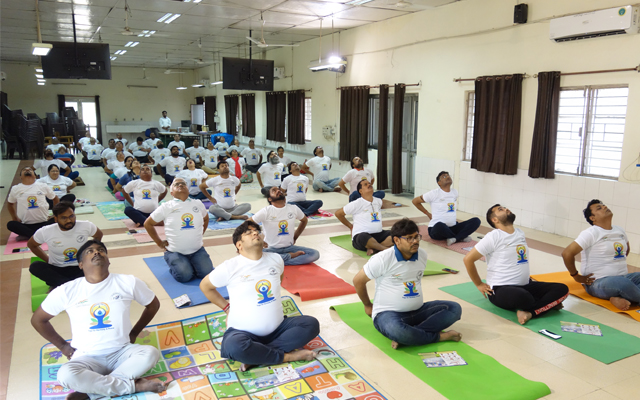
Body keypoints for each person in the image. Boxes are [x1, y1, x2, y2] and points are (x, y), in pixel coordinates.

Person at [31, 240, 167, 400]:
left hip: (122, 352)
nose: (96, 252)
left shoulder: (129, 282)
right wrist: (62, 346)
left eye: (101, 250)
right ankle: (133, 386)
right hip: (86, 356)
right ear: (80, 264)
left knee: (150, 353)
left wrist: (135, 332)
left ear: (108, 260)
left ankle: (89, 393)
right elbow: (38, 320)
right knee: (66, 375)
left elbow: (153, 305)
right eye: (90, 251)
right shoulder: (66, 290)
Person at [200, 221, 320, 371]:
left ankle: (257, 356)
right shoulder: (229, 267)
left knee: (311, 324)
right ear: (239, 245)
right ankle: (287, 356)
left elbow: (278, 282)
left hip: (278, 329)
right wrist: (226, 308)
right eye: (249, 233)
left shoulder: (276, 259)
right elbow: (205, 286)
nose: (255, 233)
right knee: (234, 347)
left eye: (257, 230)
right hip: (243, 333)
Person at [353, 218, 462, 348]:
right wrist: (367, 305)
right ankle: (439, 337)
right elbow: (358, 281)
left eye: (417, 237)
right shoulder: (382, 259)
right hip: (387, 313)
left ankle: (410, 335)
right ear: (396, 240)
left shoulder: (422, 254)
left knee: (454, 309)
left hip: (418, 311)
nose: (415, 241)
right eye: (409, 238)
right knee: (396, 330)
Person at [464, 205, 569, 324]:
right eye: (500, 209)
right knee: (524, 297)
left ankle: (530, 312)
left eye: (504, 207)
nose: (505, 209)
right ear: (495, 220)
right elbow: (468, 259)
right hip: (501, 289)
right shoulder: (494, 236)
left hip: (526, 285)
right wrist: (479, 284)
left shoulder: (519, 233)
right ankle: (545, 305)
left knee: (562, 289)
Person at [562, 200, 640, 311]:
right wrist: (576, 276)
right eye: (599, 208)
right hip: (598, 282)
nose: (604, 207)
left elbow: (625, 251)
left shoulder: (619, 230)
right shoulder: (591, 233)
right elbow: (567, 253)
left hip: (624, 277)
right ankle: (627, 296)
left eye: (603, 205)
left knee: (627, 281)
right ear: (592, 218)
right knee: (624, 284)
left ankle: (617, 297)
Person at [145, 178, 213, 283]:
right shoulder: (166, 207)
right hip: (175, 252)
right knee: (185, 276)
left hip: (197, 250)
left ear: (188, 190)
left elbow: (206, 218)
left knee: (207, 273)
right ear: (172, 192)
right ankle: (175, 263)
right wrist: (159, 242)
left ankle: (190, 263)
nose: (180, 185)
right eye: (176, 184)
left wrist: (201, 233)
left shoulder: (197, 204)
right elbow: (148, 224)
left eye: (183, 184)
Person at [28, 202, 103, 289]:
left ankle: (62, 285)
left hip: (80, 267)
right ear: (56, 219)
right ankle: (71, 286)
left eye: (71, 216)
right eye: (64, 218)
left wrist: (91, 252)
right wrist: (47, 260)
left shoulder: (86, 225)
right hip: (57, 268)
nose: (69, 220)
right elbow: (32, 245)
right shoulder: (45, 231)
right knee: (35, 266)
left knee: (99, 262)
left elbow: (98, 235)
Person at [251, 186, 319, 265]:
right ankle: (288, 257)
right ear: (269, 199)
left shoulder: (293, 208)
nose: (278, 190)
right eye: (274, 190)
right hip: (271, 248)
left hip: (289, 248)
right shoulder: (266, 211)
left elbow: (304, 220)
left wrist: (295, 237)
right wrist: (259, 238)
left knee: (314, 254)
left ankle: (279, 259)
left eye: (278, 189)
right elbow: (247, 224)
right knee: (253, 254)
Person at [413, 171, 481, 246]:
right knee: (440, 225)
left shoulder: (455, 192)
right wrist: (428, 214)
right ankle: (460, 237)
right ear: (439, 183)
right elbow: (415, 201)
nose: (448, 177)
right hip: (436, 229)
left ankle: (454, 238)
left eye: (448, 176)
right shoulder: (434, 193)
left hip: (452, 227)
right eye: (444, 176)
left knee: (476, 221)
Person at [336, 180, 392, 256]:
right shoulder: (357, 203)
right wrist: (350, 226)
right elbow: (338, 214)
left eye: (369, 183)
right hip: (361, 236)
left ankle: (375, 248)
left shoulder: (378, 201)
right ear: (361, 191)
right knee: (363, 237)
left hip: (378, 234)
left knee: (395, 233)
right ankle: (385, 249)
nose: (369, 184)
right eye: (365, 184)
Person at [7, 167, 58, 238]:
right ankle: (38, 236)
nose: (27, 170)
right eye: (24, 170)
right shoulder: (15, 188)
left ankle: (30, 236)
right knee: (11, 224)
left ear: (35, 176)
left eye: (30, 170)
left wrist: (55, 214)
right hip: (26, 225)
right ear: (21, 177)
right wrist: (15, 218)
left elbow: (55, 199)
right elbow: (10, 204)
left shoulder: (42, 186)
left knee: (57, 219)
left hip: (44, 223)